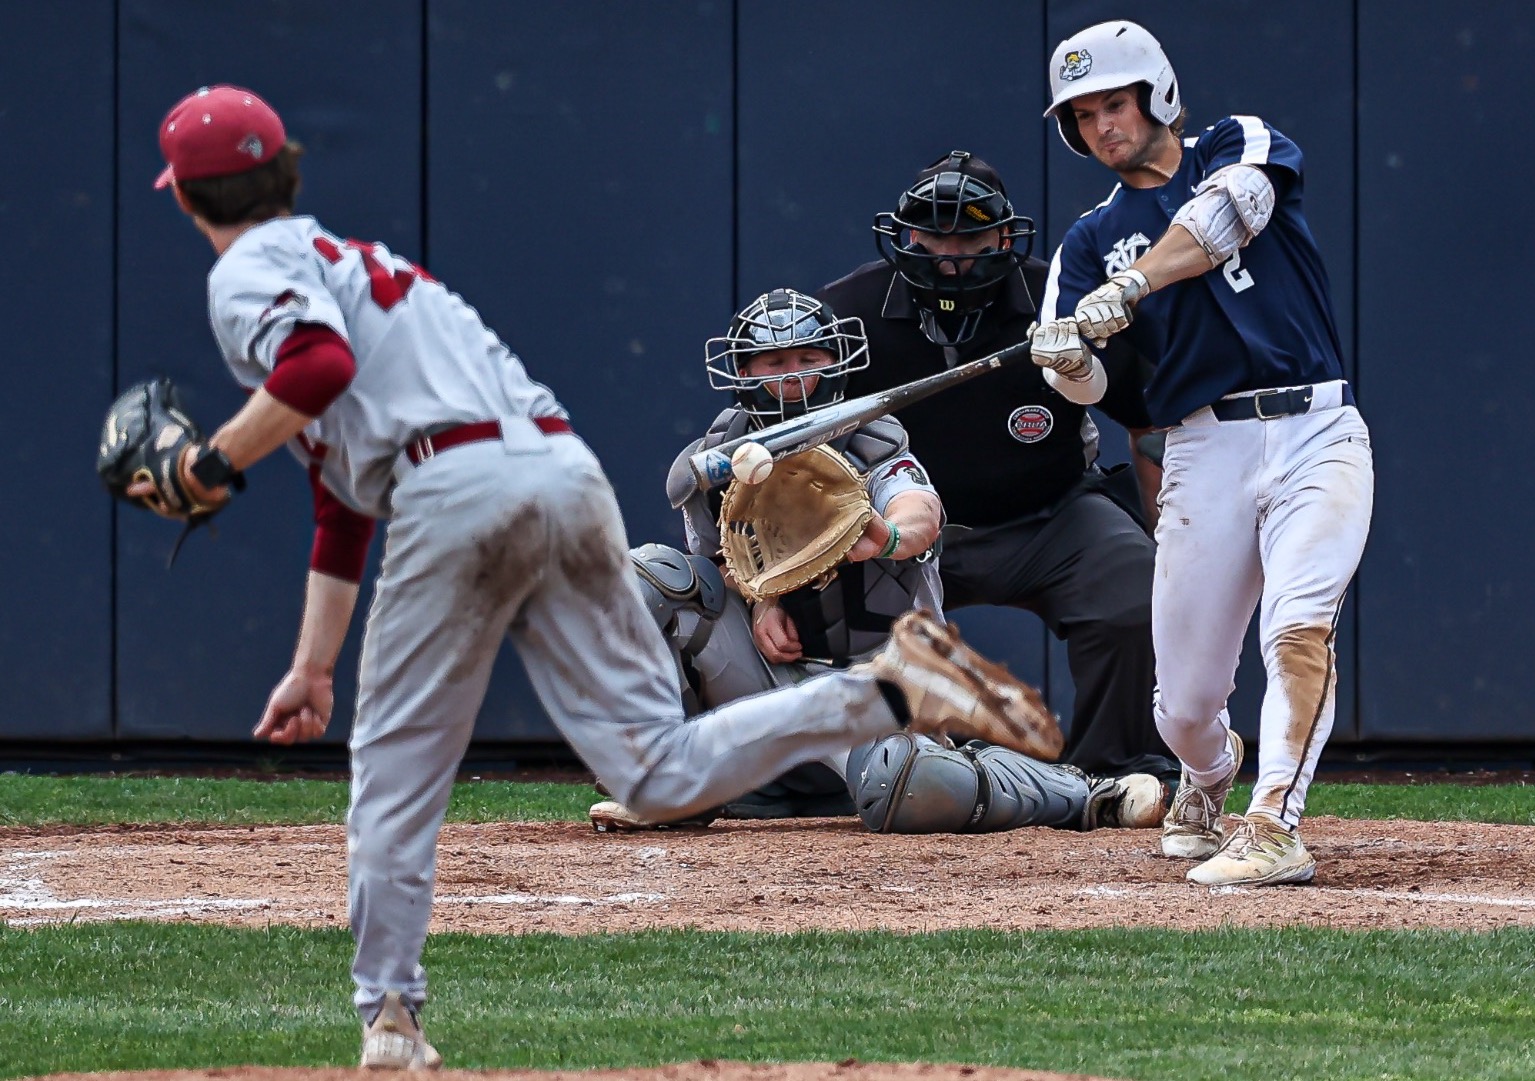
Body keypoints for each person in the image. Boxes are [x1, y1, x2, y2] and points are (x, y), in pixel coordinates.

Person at [142, 85, 1062, 1068]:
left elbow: (313, 367)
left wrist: (208, 464)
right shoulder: (367, 266)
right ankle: (883, 690)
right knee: (652, 771)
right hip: (556, 469)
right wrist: (313, 666)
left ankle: (393, 1023)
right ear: (285, 172)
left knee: (397, 774)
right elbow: (338, 496)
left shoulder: (247, 269)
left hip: (449, 487)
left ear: (187, 199)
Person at [586, 289, 1165, 835]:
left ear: (834, 362)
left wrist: (882, 536)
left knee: (912, 786)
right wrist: (763, 599)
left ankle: (1085, 796)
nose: (788, 373)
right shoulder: (711, 462)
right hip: (766, 678)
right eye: (770, 360)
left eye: (805, 356)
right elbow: (719, 560)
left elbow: (922, 515)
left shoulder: (871, 441)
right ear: (741, 371)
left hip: (873, 682)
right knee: (650, 576)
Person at [1032, 22, 1376, 887]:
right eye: (1081, 115)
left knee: (1296, 624)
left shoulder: (1236, 142)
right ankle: (1209, 774)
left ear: (1156, 94)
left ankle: (1273, 823)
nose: (1102, 126)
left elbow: (1226, 217)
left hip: (1314, 429)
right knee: (1181, 707)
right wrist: (1068, 358)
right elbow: (1087, 384)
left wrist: (1134, 282)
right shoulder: (1084, 240)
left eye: (1114, 103)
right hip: (1201, 446)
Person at [819, 150, 1176, 783]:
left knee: (1133, 583)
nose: (951, 253)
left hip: (1052, 516)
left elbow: (1146, 422)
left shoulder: (1061, 297)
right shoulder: (850, 311)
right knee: (814, 603)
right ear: (904, 234)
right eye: (933, 234)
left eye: (971, 235)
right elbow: (799, 447)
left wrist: (1166, 531)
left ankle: (1117, 772)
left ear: (1006, 235)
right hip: (894, 533)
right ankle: (823, 777)